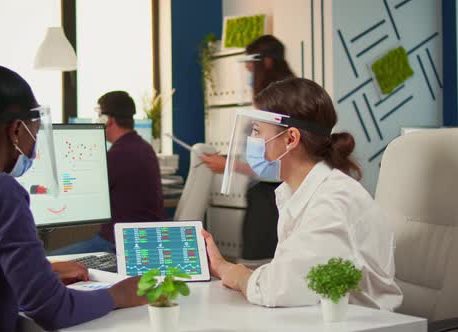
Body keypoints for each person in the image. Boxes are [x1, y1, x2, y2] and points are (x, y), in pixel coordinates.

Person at [0, 42, 145, 332]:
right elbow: (53, 311)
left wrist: (43, 274)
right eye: (35, 132)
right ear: (16, 130)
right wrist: (117, 294)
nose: (34, 145)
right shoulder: (0, 192)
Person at [203, 77, 403, 310]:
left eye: (257, 131)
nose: (252, 141)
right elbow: (292, 276)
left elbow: (279, 289)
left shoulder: (331, 202)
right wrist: (224, 267)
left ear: (290, 139)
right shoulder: (297, 193)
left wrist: (231, 271)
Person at [200, 35, 295, 261]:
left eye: (252, 70)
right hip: (264, 198)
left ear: (267, 63)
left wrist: (229, 165)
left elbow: (275, 166)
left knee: (259, 267)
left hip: (270, 201)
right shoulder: (284, 98)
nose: (249, 77)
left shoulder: (277, 103)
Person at [51, 91, 164, 255]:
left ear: (107, 119)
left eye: (99, 116)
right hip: (143, 240)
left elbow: (81, 191)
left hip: (119, 244)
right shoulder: (143, 147)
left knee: (49, 262)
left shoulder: (118, 155)